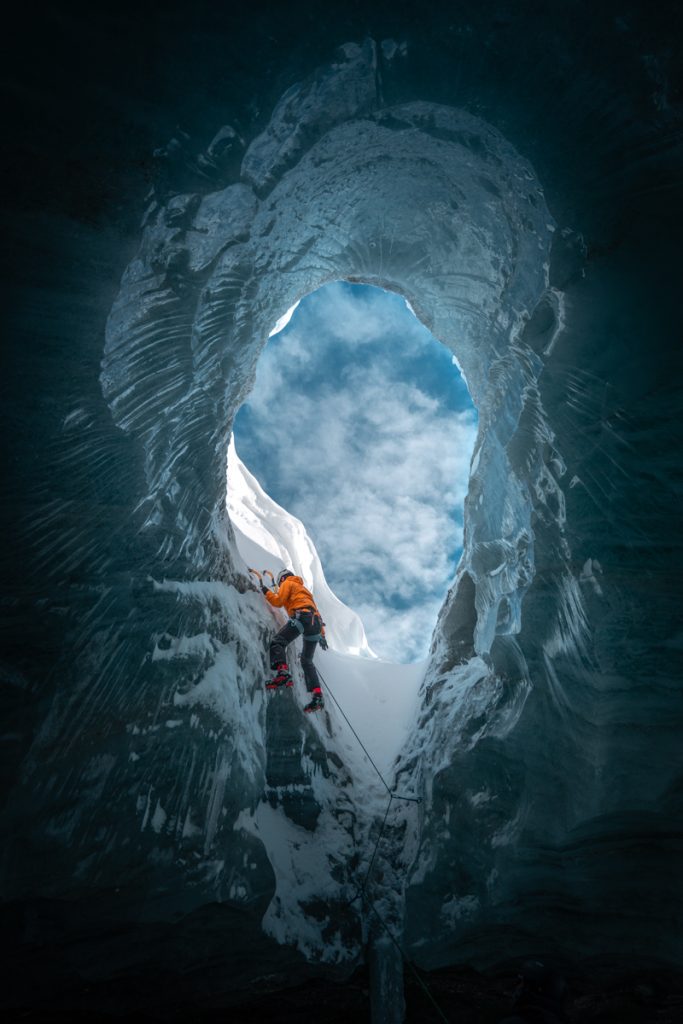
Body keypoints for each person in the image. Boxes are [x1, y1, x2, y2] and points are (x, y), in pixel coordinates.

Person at [260, 568, 325, 713]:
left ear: (282, 579)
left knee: (278, 641)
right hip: (315, 624)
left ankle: (283, 673)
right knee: (306, 661)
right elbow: (317, 612)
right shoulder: (303, 589)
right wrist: (322, 634)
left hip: (302, 617)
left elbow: (278, 601)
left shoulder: (287, 583)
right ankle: (317, 696)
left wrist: (265, 591)